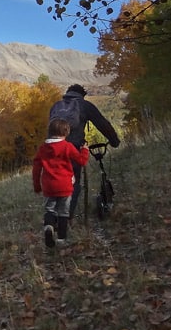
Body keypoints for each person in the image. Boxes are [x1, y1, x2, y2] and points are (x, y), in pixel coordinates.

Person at [49, 84, 120, 220]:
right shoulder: (84, 105)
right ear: (82, 95)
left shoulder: (56, 106)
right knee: (73, 183)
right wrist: (114, 141)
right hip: (72, 150)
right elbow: (103, 124)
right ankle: (63, 218)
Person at [33, 118, 89, 248]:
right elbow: (81, 161)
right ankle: (61, 239)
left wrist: (37, 186)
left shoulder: (42, 148)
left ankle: (48, 226)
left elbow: (36, 169)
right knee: (63, 212)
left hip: (49, 186)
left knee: (50, 210)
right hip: (65, 185)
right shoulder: (67, 146)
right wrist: (85, 150)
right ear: (66, 132)